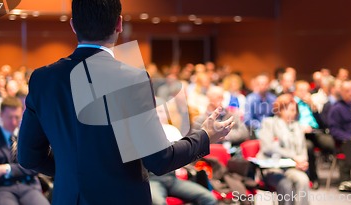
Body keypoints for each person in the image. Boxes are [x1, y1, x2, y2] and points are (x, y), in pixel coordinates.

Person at [17, 0, 234, 204]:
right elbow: (160, 160)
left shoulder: (43, 78)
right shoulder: (131, 79)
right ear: (119, 23)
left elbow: (27, 157)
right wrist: (204, 137)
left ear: (73, 25)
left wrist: (73, 170)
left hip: (67, 197)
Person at [0, 97, 49, 205]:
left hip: (28, 185)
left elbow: (34, 169)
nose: (13, 122)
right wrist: (21, 169)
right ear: (1, 114)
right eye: (9, 117)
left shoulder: (28, 137)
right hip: (2, 188)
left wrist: (5, 168)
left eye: (17, 117)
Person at [150, 98, 217, 205]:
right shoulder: (147, 134)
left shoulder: (171, 130)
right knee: (159, 203)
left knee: (209, 198)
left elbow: (184, 152)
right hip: (153, 179)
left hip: (172, 178)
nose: (158, 115)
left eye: (161, 111)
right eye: (155, 112)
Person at [257, 94, 310, 205]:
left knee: (303, 179)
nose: (291, 113)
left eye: (294, 110)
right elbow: (268, 148)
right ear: (280, 109)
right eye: (288, 109)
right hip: (272, 167)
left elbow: (303, 149)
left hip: (292, 167)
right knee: (286, 184)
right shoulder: (269, 123)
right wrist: (293, 156)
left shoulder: (297, 126)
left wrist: (303, 161)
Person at [293, 81, 335, 189]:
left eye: (306, 91)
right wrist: (300, 127)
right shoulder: (293, 103)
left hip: (315, 132)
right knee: (308, 147)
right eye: (301, 90)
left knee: (330, 143)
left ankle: (345, 177)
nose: (304, 93)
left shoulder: (311, 103)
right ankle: (312, 178)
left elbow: (323, 123)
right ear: (295, 91)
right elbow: (290, 122)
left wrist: (314, 108)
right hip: (300, 134)